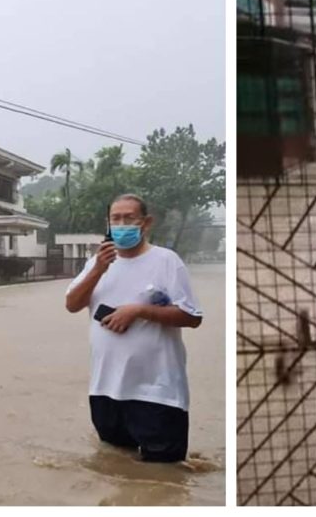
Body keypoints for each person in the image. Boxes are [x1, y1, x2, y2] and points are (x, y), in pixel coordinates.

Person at [65, 193, 203, 463]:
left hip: (157, 393)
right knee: (117, 469)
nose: (122, 224)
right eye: (116, 219)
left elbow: (192, 316)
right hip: (105, 390)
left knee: (165, 480)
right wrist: (98, 270)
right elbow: (72, 304)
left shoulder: (166, 261)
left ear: (146, 223)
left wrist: (139, 310)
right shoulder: (96, 263)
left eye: (129, 218)